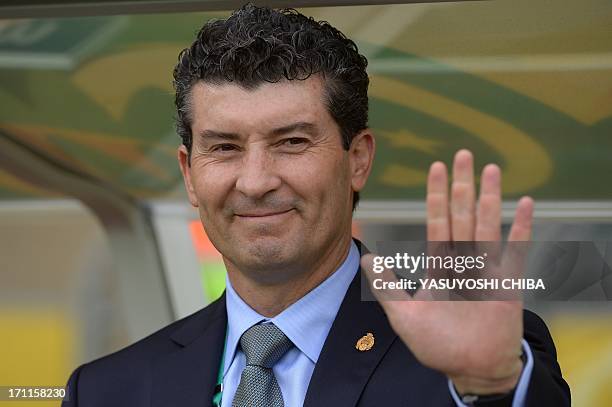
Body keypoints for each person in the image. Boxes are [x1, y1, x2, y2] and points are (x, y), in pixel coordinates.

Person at [62, 4, 570, 406]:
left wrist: (492, 387)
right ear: (188, 174)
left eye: (292, 142)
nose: (256, 181)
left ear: (358, 160)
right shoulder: (106, 391)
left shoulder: (475, 360)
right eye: (223, 147)